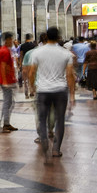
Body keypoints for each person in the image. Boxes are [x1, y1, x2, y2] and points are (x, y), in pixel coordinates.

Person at [29, 27, 75, 163]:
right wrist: (72, 95)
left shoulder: (37, 53)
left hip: (43, 90)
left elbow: (32, 73)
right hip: (60, 90)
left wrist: (32, 87)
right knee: (60, 120)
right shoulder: (65, 54)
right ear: (58, 37)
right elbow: (70, 75)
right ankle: (56, 149)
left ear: (46, 36)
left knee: (42, 119)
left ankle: (44, 144)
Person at [0, 32, 18, 133]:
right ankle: (4, 123)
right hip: (7, 81)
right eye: (12, 39)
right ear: (7, 40)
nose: (13, 41)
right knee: (8, 102)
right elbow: (3, 66)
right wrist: (4, 80)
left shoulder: (2, 50)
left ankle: (5, 122)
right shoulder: (4, 51)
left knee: (9, 102)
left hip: (8, 79)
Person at [19, 33, 36, 98]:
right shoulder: (33, 45)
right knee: (31, 77)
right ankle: (31, 91)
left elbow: (21, 55)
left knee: (25, 78)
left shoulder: (22, 46)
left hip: (25, 63)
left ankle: (26, 89)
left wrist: (20, 64)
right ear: (31, 38)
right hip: (32, 63)